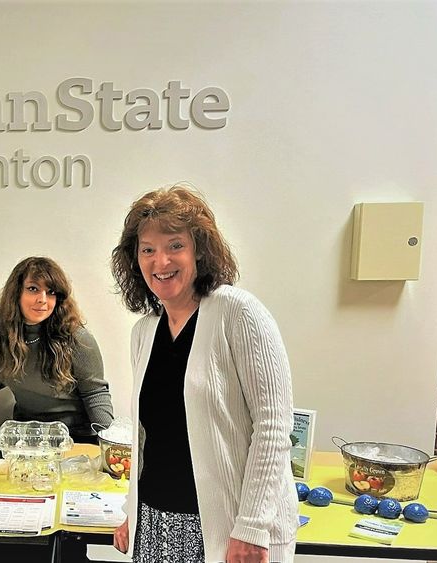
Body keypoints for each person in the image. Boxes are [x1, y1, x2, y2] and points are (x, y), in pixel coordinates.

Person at [110, 184, 298, 563]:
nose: (160, 261)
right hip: (157, 524)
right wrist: (133, 510)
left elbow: (274, 426)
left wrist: (252, 527)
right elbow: (149, 435)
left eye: (174, 245)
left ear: (199, 250)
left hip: (228, 528)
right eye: (148, 250)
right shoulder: (144, 332)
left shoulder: (238, 313)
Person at [0, 256, 114, 442]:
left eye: (51, 292)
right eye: (33, 289)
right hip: (26, 434)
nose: (42, 300)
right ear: (16, 293)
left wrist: (110, 444)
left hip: (75, 437)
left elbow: (96, 395)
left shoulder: (77, 338)